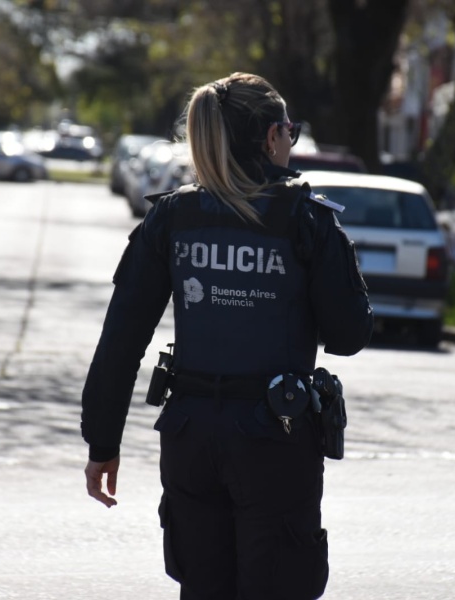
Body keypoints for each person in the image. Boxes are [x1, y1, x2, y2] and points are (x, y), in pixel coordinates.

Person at [81, 72, 373, 600]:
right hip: (275, 441)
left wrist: (102, 442)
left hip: (191, 436)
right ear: (270, 138)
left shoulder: (171, 217)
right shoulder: (306, 219)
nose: (292, 141)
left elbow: (121, 339)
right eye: (290, 130)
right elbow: (350, 333)